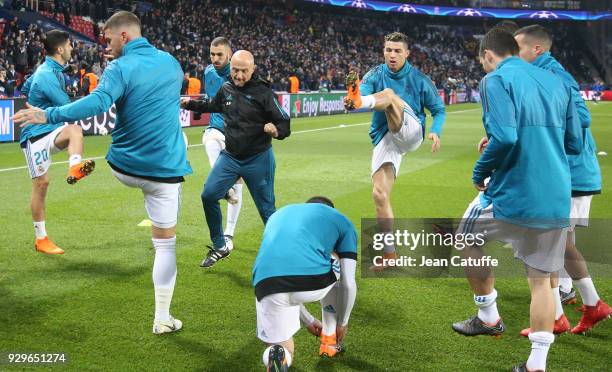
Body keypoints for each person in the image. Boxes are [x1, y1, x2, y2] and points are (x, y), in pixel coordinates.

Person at [13, 11, 192, 335]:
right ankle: (162, 317)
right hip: (163, 171)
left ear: (123, 36)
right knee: (166, 244)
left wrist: (47, 114)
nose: (106, 47)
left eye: (108, 39)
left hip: (122, 166)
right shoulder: (171, 63)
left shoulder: (119, 68)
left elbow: (96, 104)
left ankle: (73, 169)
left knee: (46, 178)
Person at [450, 28, 582, 372]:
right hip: (554, 194)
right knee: (540, 280)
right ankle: (536, 364)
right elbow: (574, 143)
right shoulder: (557, 81)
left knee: (465, 238)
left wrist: (480, 171)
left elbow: (506, 137)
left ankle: (488, 315)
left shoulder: (495, 80)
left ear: (488, 56)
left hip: (513, 190)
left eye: (483, 62)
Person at [514, 25, 611, 336]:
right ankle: (586, 306)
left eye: (518, 49)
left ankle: (565, 312)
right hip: (568, 173)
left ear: (536, 49)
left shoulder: (552, 77)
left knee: (544, 243)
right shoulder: (543, 75)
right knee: (555, 243)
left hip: (569, 174)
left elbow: (580, 120)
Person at [344, 31, 446, 270]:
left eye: (397, 51)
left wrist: (436, 130)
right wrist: (356, 99)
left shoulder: (420, 79)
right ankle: (390, 255)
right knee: (379, 195)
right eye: (388, 50)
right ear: (383, 51)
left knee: (389, 96)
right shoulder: (374, 74)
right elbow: (366, 92)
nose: (392, 54)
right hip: (386, 138)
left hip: (412, 132)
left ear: (407, 53)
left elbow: (438, 110)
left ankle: (358, 101)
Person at [181, 49, 290, 268]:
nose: (238, 76)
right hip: (230, 157)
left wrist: (275, 130)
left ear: (253, 70)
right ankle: (220, 245)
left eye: (243, 71)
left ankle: (284, 256)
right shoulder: (226, 87)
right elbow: (212, 104)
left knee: (267, 211)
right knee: (209, 195)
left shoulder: (264, 93)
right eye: (235, 70)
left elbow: (284, 123)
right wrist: (190, 103)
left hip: (258, 159)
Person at [253, 197, 357, 371]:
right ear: (331, 210)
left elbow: (285, 283)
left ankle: (277, 358)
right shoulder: (340, 219)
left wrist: (308, 320)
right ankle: (329, 339)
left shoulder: (279, 215)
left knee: (283, 349)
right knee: (336, 256)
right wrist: (343, 323)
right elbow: (348, 283)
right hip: (313, 281)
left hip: (265, 283)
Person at [18, 29, 95, 255]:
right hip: (34, 135)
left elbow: (25, 88)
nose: (72, 49)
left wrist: (36, 100)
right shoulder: (47, 75)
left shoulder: (52, 70)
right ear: (60, 49)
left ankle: (75, 167)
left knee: (74, 131)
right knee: (41, 184)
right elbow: (66, 107)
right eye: (70, 45)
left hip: (51, 129)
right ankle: (41, 238)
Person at [198, 36, 244, 251]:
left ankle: (229, 233)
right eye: (212, 54)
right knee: (209, 140)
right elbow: (212, 100)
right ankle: (222, 184)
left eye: (220, 55)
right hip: (217, 126)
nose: (215, 58)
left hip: (238, 133)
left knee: (238, 183)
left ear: (229, 54)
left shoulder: (239, 73)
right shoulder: (208, 72)